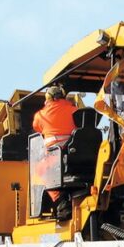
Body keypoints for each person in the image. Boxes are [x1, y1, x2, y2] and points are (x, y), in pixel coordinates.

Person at [32, 84, 78, 220]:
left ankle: (61, 202)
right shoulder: (75, 110)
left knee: (39, 170)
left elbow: (36, 127)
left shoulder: (41, 115)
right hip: (74, 157)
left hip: (55, 157)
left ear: (48, 98)